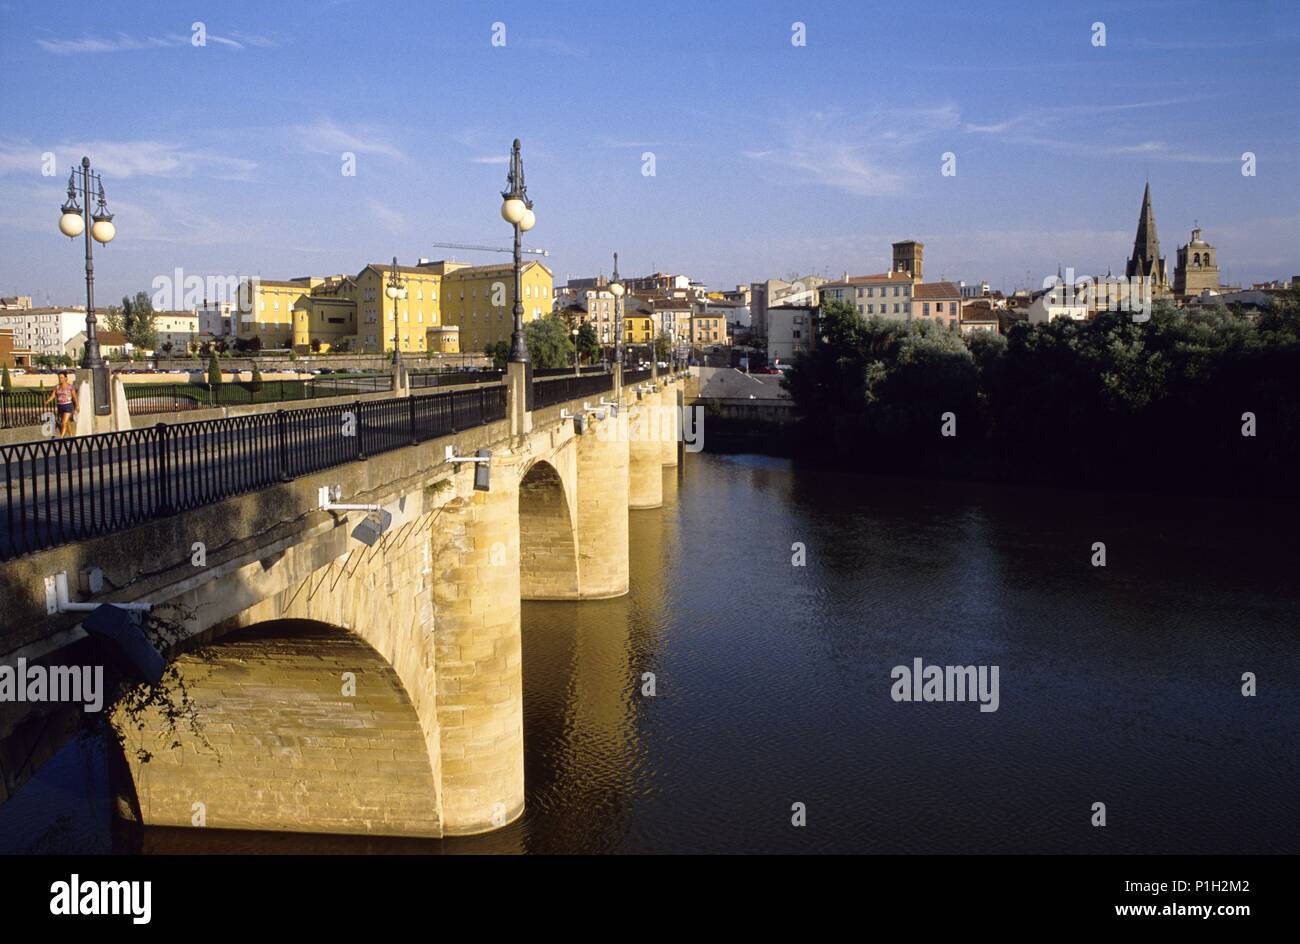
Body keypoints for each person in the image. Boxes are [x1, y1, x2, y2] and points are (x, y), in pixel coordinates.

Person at [44, 370, 78, 438]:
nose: (60, 379)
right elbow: (53, 396)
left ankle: (61, 437)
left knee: (63, 422)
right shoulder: (56, 387)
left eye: (62, 378)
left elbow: (74, 397)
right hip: (60, 406)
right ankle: (71, 435)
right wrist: (47, 401)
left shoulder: (70, 387)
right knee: (66, 422)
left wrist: (77, 405)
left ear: (66, 378)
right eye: (59, 378)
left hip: (68, 406)